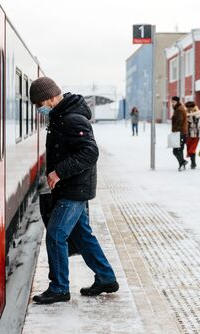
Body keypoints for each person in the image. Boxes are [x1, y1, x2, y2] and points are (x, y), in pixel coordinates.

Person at [29, 77, 118, 304]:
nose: (40, 110)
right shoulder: (62, 117)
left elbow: (90, 152)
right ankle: (106, 278)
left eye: (40, 104)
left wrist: (58, 172)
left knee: (56, 235)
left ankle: (59, 288)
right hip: (70, 187)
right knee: (83, 236)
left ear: (49, 99)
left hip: (74, 189)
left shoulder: (72, 119)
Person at [185, 101, 200, 169]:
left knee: (192, 149)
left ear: (194, 107)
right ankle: (192, 161)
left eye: (191, 108)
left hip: (196, 135)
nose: (189, 109)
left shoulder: (199, 116)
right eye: (188, 108)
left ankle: (193, 163)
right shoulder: (185, 115)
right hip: (187, 135)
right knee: (189, 149)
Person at [171, 96, 188, 171]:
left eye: (174, 102)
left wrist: (175, 131)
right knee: (180, 150)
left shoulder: (179, 110)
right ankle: (182, 165)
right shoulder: (179, 108)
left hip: (179, 132)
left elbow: (179, 122)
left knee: (175, 151)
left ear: (177, 102)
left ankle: (182, 162)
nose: (172, 103)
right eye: (172, 102)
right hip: (182, 132)